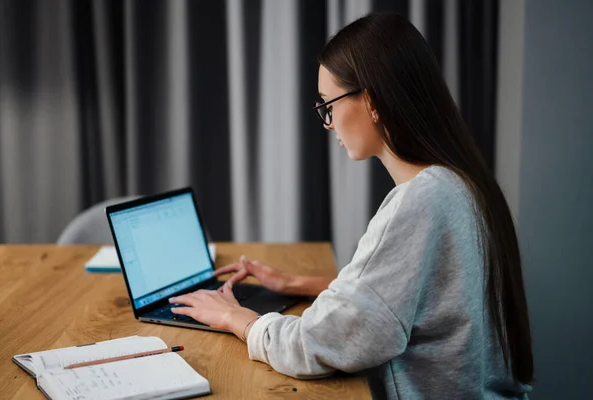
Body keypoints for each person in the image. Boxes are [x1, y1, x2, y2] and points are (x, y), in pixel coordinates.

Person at [169, 12, 534, 399]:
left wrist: (238, 320)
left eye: (328, 103)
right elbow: (401, 298)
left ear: (372, 102)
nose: (327, 123)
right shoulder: (461, 182)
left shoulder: (422, 201)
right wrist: (295, 284)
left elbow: (318, 345)